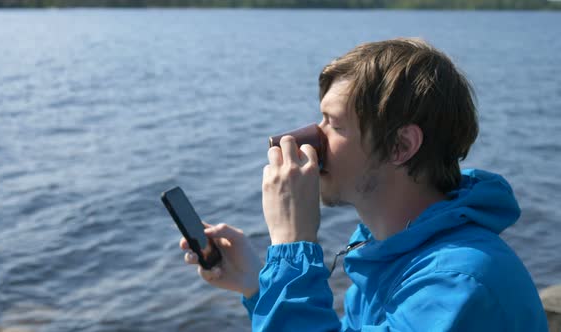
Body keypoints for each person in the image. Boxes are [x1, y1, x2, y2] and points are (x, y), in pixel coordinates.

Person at [179, 38, 548, 331]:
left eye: (332, 124)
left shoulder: (458, 285)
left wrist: (292, 247)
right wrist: (257, 286)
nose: (309, 141)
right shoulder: (388, 249)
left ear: (400, 146)